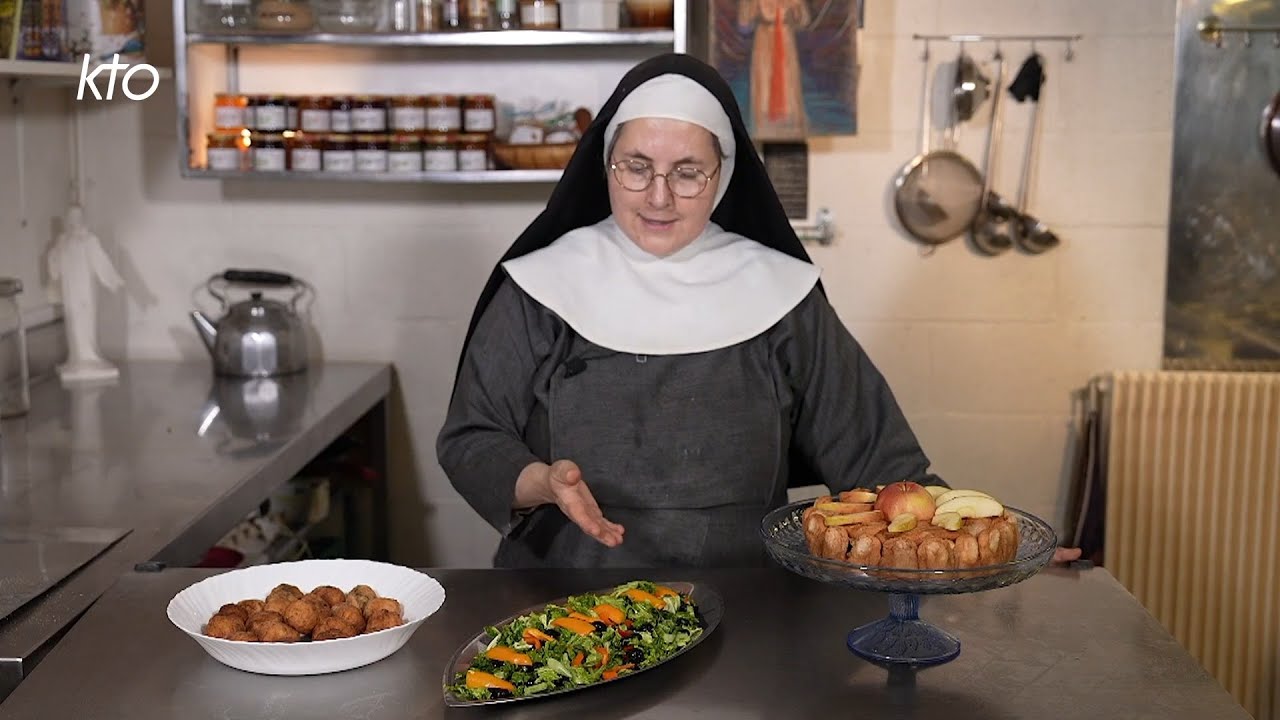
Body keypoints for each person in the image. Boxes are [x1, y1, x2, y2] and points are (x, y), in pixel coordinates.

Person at [437, 53, 1080, 569]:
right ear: (606, 165)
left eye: (688, 171)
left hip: (748, 601)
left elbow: (882, 464)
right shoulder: (540, 285)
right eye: (636, 167)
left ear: (723, 175)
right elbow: (472, 439)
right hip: (563, 594)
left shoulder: (781, 294)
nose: (659, 196)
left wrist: (986, 539)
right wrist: (542, 482)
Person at [47, 204, 125, 384]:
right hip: (70, 290)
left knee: (85, 321)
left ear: (82, 218)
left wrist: (113, 279)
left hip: (85, 290)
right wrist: (54, 255)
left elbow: (101, 261)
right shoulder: (63, 241)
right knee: (72, 321)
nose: (74, 221)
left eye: (77, 217)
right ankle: (76, 357)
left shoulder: (89, 240)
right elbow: (55, 262)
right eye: (70, 217)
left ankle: (89, 356)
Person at [738, 0, 810, 139]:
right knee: (764, 82)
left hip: (785, 37)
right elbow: (744, 22)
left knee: (789, 83)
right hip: (764, 38)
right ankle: (763, 122)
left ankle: (790, 121)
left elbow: (803, 20)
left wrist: (796, 9)